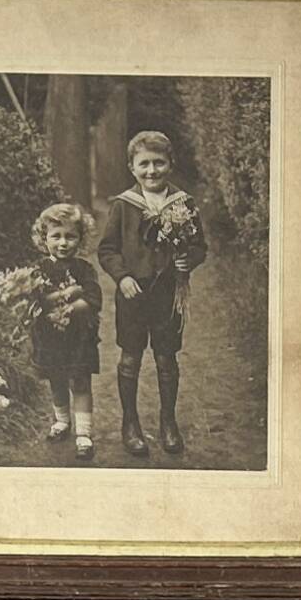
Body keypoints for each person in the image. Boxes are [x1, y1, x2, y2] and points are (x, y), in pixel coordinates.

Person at [96, 132, 209, 457]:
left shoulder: (183, 204)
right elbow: (107, 250)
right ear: (132, 167)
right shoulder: (123, 205)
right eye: (144, 164)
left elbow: (199, 245)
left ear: (170, 164)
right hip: (133, 294)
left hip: (168, 293)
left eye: (159, 163)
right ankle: (130, 423)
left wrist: (190, 259)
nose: (151, 170)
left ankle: (167, 422)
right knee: (130, 356)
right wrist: (122, 277)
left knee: (166, 357)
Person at [0, 201, 103, 456]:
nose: (63, 243)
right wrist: (64, 294)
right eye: (56, 236)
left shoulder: (84, 269)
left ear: (81, 239)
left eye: (71, 236)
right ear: (44, 239)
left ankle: (84, 434)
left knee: (80, 381)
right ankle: (62, 421)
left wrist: (72, 306)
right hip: (50, 337)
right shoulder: (38, 271)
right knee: (56, 379)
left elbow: (94, 299)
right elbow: (36, 301)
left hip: (78, 337)